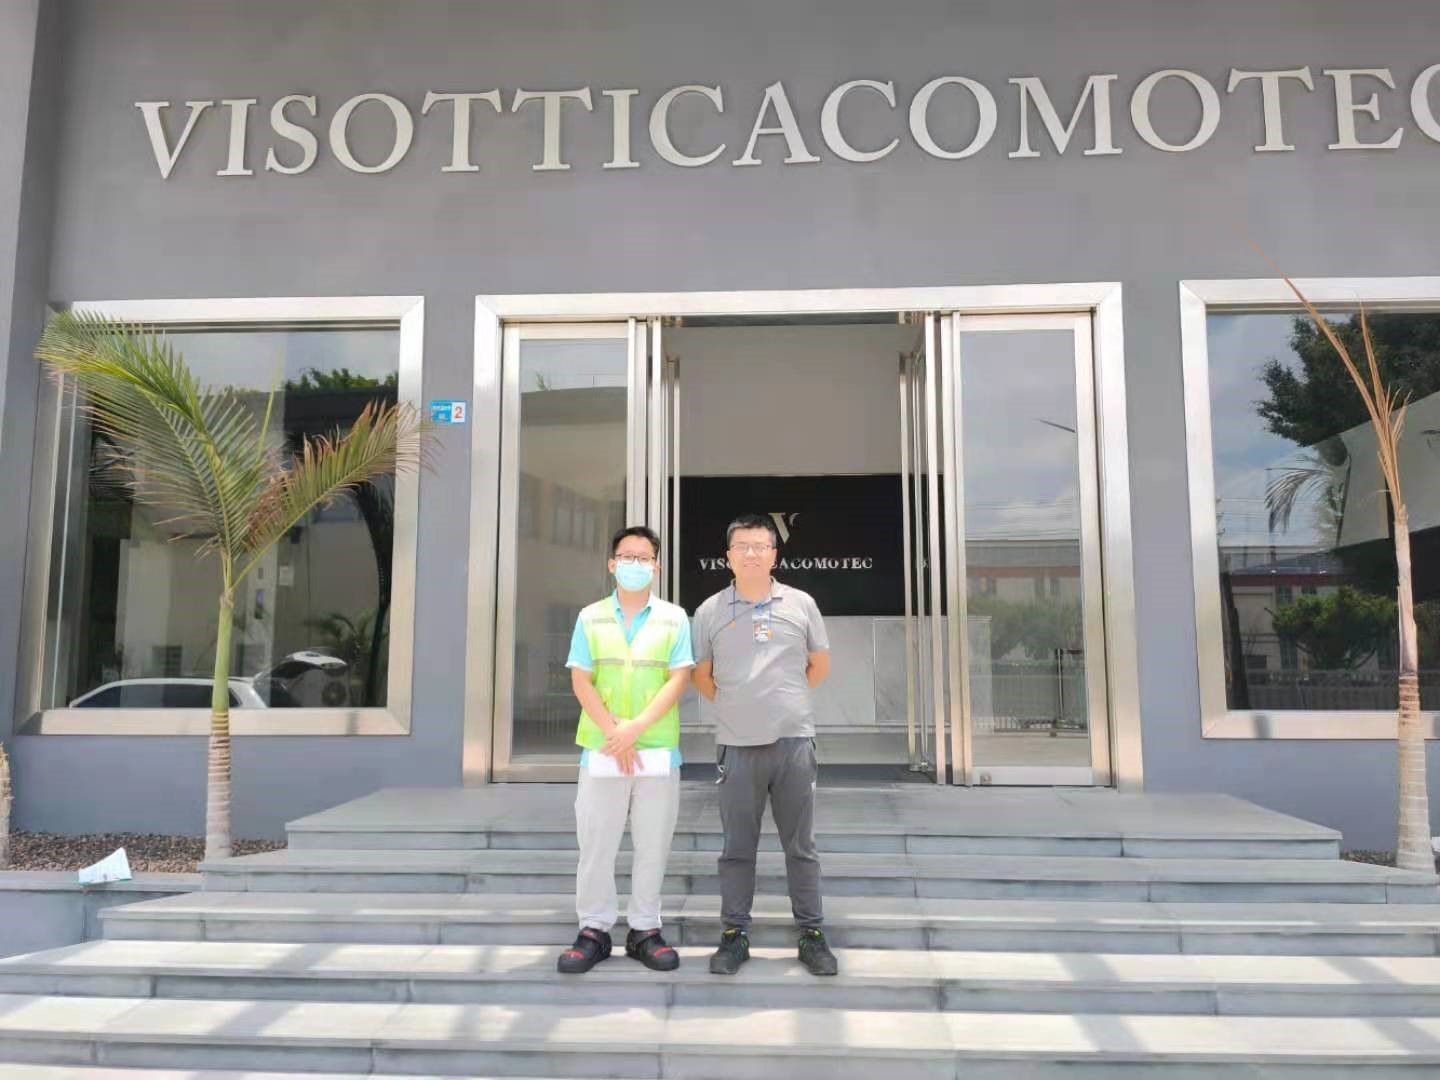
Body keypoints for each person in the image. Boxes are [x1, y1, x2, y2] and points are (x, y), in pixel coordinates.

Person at [691, 513, 838, 977]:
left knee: (802, 847)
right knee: (737, 847)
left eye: (760, 546)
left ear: (775, 554)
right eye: (742, 546)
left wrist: (782, 703)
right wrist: (740, 706)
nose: (751, 553)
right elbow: (701, 675)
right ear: (728, 556)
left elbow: (819, 665)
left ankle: (811, 934)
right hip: (736, 747)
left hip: (794, 744)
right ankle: (734, 934)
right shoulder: (710, 610)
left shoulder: (801, 603)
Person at [557, 525, 694, 975]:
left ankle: (644, 930)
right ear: (612, 563)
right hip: (602, 749)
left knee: (653, 844)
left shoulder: (675, 618)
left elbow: (678, 678)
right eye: (627, 556)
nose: (636, 564)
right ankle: (594, 930)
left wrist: (634, 728)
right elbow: (581, 678)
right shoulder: (590, 617)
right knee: (596, 843)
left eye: (644, 557)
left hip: (656, 750)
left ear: (657, 566)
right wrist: (613, 731)